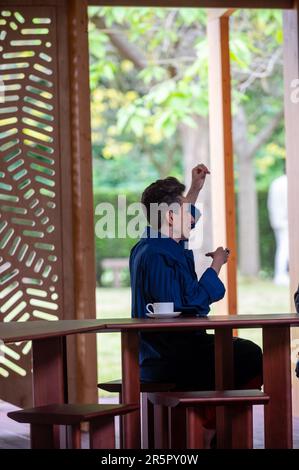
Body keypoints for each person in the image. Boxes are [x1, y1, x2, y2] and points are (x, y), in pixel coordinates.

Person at [129, 165, 263, 396]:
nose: (193, 218)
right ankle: (214, 422)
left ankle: (212, 421)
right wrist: (216, 264)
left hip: (158, 353)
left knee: (239, 352)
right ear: (170, 216)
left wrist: (195, 189)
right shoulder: (160, 256)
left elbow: (180, 225)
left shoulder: (149, 246)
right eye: (186, 211)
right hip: (170, 357)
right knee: (249, 354)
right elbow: (191, 303)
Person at [267, 174, 289, 285]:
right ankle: (281, 275)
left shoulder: (276, 182)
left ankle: (282, 274)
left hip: (277, 219)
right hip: (286, 220)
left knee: (282, 247)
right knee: (284, 248)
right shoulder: (286, 182)